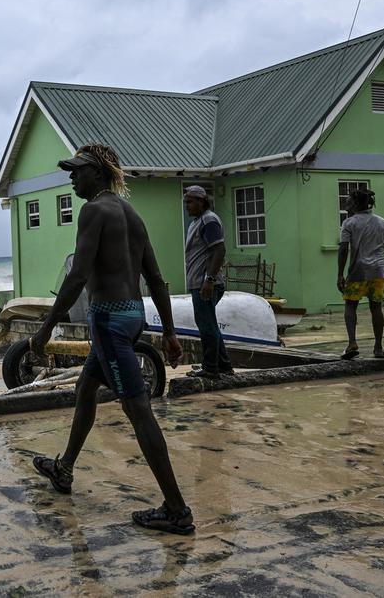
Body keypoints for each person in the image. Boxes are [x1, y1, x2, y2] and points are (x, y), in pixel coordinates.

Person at [29, 144, 194, 535]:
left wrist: (48, 325)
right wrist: (169, 332)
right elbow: (156, 279)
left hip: (108, 321)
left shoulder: (93, 211)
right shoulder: (132, 215)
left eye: (77, 170)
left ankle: (176, 509)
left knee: (139, 410)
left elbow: (78, 275)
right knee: (86, 388)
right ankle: (64, 468)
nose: (72, 177)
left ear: (99, 173)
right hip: (133, 316)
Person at [337, 188, 384, 359]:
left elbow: (343, 249)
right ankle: (378, 347)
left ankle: (352, 343)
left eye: (349, 202)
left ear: (356, 204)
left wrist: (340, 274)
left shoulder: (348, 223)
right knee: (376, 308)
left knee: (350, 305)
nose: (346, 205)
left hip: (357, 272)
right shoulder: (383, 222)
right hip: (379, 272)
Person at [182, 185, 234, 379]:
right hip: (199, 282)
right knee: (209, 323)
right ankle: (224, 366)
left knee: (206, 325)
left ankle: (210, 368)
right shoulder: (197, 222)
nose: (187, 205)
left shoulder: (208, 220)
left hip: (205, 283)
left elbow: (219, 250)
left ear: (201, 201)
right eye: (185, 202)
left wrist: (209, 280)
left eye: (190, 202)